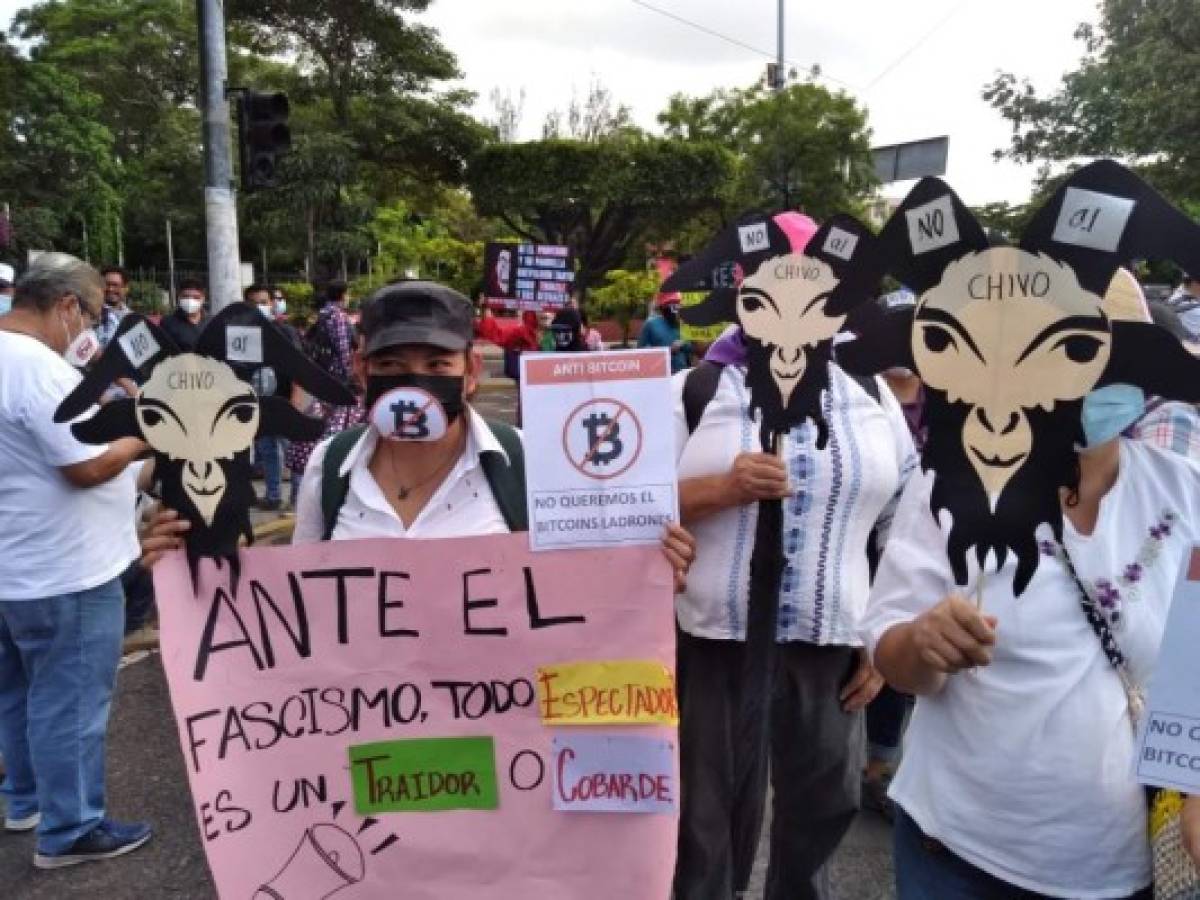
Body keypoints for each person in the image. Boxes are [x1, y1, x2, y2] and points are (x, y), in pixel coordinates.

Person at [144, 277, 695, 589]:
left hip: (502, 760)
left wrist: (646, 581)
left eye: (438, 366)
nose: (416, 384)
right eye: (391, 365)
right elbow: (296, 607)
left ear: (472, 372)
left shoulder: (528, 465)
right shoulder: (329, 471)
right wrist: (186, 571)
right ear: (360, 370)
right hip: (362, 755)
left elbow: (580, 595)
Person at [673, 330, 917, 899]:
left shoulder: (871, 394)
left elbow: (905, 524)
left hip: (829, 643)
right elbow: (631, 500)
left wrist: (883, 635)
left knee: (823, 807)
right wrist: (721, 487)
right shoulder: (698, 389)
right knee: (701, 817)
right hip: (713, 641)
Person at [0, 253, 151, 868]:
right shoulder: (39, 369)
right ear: (66, 306)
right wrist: (144, 431)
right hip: (66, 571)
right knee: (71, 704)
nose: (90, 328)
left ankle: (26, 800)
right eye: (90, 314)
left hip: (16, 568)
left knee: (20, 695)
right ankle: (71, 829)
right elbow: (86, 465)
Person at [639, 295, 692, 373]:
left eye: (678, 305)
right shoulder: (651, 324)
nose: (676, 308)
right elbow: (641, 351)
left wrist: (683, 344)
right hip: (659, 373)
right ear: (663, 308)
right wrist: (667, 351)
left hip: (681, 373)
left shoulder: (684, 324)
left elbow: (693, 347)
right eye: (672, 305)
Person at [159, 278, 207, 352]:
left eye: (196, 297)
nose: (190, 300)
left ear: (203, 299)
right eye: (185, 296)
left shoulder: (211, 321)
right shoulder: (167, 323)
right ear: (179, 297)